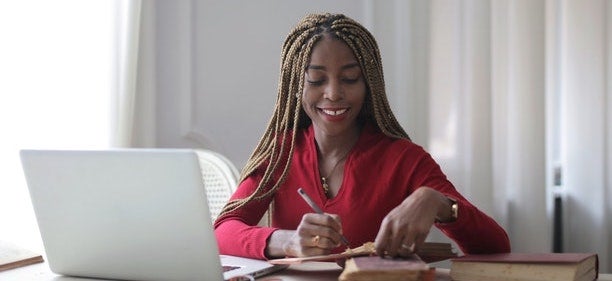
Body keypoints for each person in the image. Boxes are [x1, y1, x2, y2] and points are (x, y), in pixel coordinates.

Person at [214, 12, 510, 260]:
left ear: (369, 85)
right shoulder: (281, 153)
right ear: (296, 86)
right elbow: (222, 231)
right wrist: (287, 242)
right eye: (316, 80)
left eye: (350, 79)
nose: (333, 93)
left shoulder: (403, 159)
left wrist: (436, 202)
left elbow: (496, 246)